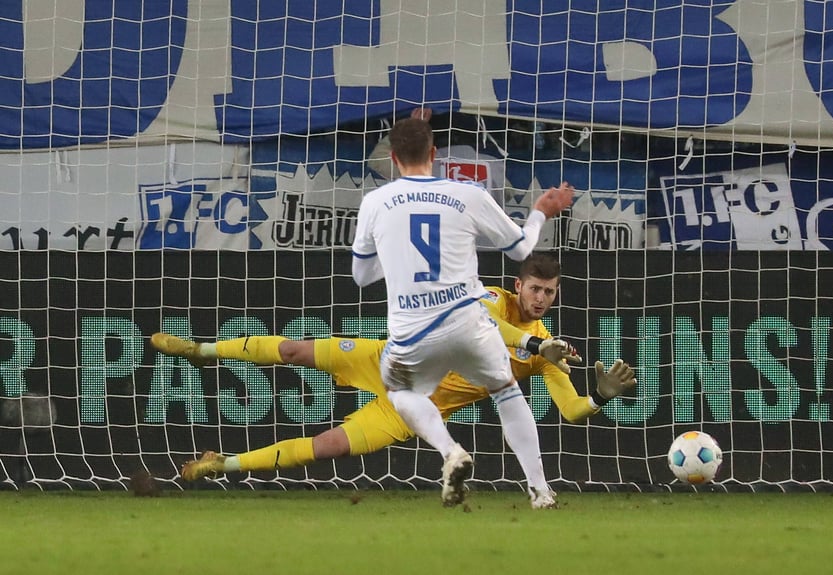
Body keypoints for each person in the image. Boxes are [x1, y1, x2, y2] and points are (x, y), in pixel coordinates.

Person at [152, 254, 637, 509]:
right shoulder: (492, 300)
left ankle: (224, 464)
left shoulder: (548, 350)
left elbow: (572, 410)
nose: (542, 298)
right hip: (387, 360)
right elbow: (492, 329)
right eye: (535, 288)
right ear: (518, 286)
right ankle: (201, 349)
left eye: (550, 293)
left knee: (327, 446)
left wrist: (600, 396)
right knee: (295, 350)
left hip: (407, 408)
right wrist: (534, 346)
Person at [350, 117, 574, 508]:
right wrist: (539, 212)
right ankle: (540, 490)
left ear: (394, 157)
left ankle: (449, 450)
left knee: (400, 391)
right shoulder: (467, 193)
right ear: (435, 155)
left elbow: (361, 275)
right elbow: (521, 250)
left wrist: (397, 253)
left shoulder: (375, 202)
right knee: (505, 389)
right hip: (469, 322)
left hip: (412, 333)